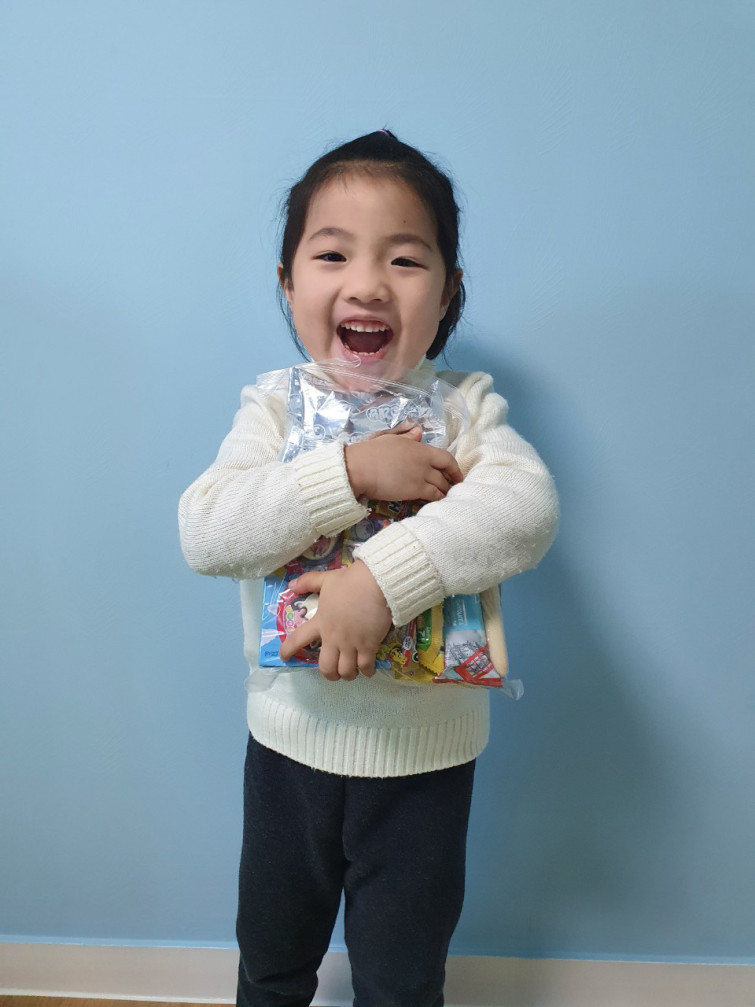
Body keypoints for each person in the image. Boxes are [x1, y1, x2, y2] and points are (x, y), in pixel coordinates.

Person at [178, 130, 559, 1007]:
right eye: (332, 254)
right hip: (288, 745)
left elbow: (524, 509)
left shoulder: (463, 409)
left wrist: (381, 582)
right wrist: (347, 473)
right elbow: (206, 531)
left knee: (400, 977)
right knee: (270, 960)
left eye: (405, 259)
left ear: (447, 291)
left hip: (426, 763)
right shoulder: (274, 407)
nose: (367, 283)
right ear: (288, 282)